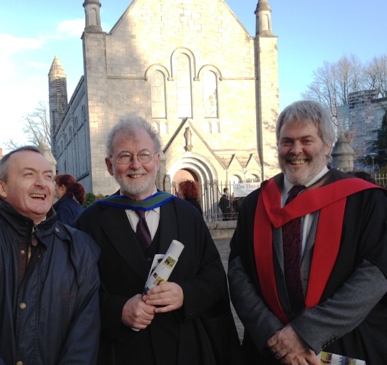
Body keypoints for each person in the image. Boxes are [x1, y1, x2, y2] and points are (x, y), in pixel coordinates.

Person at [228, 100, 387, 365]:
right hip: (271, 349)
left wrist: (305, 333)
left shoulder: (365, 201)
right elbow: (238, 272)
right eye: (287, 141)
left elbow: (376, 275)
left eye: (306, 140)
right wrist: (273, 336)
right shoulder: (256, 204)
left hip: (342, 345)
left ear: (326, 146)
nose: (295, 150)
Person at [74, 114, 241, 365]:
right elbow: (74, 294)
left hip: (184, 349)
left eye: (144, 155)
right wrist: (117, 310)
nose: (135, 165)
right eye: (124, 156)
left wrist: (185, 293)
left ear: (157, 160)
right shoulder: (89, 223)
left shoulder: (188, 216)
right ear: (110, 166)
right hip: (121, 353)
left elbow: (215, 279)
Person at [0, 146, 101, 364]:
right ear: (1, 188)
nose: (42, 183)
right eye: (29, 174)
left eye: (48, 177)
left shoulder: (80, 248)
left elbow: (84, 336)